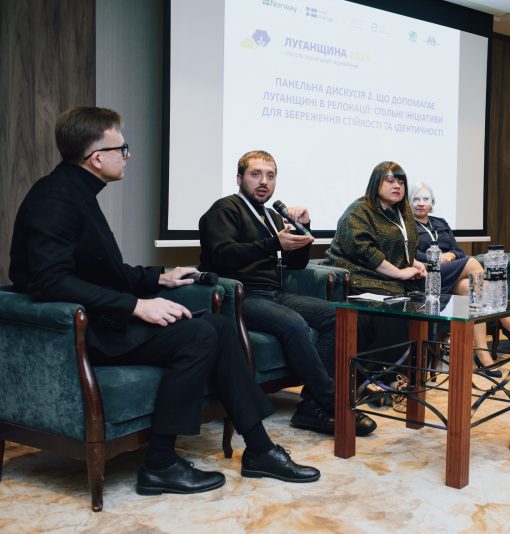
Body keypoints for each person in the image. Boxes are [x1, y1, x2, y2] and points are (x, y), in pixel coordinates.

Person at [9, 108, 319, 497]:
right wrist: (136, 306)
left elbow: (103, 271)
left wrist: (159, 278)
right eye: (122, 148)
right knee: (199, 336)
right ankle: (159, 464)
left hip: (103, 318)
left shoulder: (76, 192)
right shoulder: (55, 197)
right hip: (87, 330)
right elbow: (49, 280)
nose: (128, 155)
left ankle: (259, 448)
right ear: (97, 158)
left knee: (220, 326)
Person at [199, 150, 377, 437]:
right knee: (294, 323)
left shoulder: (270, 215)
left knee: (342, 316)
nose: (264, 182)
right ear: (239, 178)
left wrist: (303, 229)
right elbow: (221, 255)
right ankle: (331, 401)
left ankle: (310, 407)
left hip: (274, 293)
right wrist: (274, 243)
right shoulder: (225, 209)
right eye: (255, 174)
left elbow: (295, 264)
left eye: (270, 176)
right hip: (241, 297)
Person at [325, 161, 426, 375]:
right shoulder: (359, 211)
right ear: (375, 183)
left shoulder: (404, 212)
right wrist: (399, 273)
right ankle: (379, 377)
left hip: (390, 280)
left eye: (401, 182)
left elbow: (403, 246)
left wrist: (413, 263)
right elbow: (365, 251)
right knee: (392, 312)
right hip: (359, 278)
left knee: (421, 303)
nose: (397, 186)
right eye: (390, 181)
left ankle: (407, 375)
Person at [410, 182, 510, 377]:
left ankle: (482, 355)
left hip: (449, 272)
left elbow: (458, 250)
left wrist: (450, 255)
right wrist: (436, 258)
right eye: (416, 199)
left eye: (425, 199)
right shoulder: (408, 225)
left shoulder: (440, 222)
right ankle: (505, 318)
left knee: (470, 288)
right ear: (409, 202)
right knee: (473, 262)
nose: (420, 203)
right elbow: (411, 254)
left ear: (432, 202)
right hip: (428, 274)